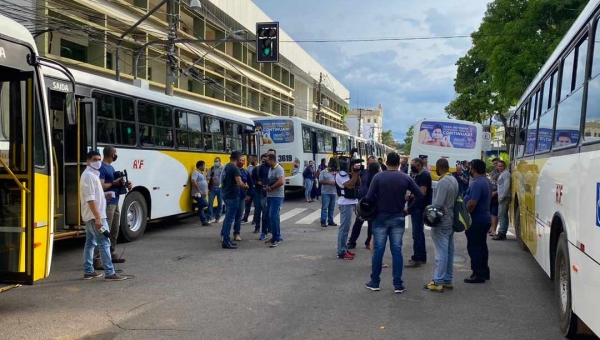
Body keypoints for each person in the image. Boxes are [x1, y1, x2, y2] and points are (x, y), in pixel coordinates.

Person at [364, 152, 423, 293]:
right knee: (397, 250)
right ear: (399, 164)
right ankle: (398, 284)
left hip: (380, 218)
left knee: (378, 250)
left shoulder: (378, 177)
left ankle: (375, 281)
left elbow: (369, 198)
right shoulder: (405, 177)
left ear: (387, 162)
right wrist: (408, 210)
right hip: (398, 217)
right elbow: (420, 195)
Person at [80, 151, 127, 281]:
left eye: (99, 159)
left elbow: (95, 196)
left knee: (90, 243)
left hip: (93, 216)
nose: (98, 162)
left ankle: (89, 271)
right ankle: (110, 272)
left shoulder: (93, 175)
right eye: (95, 159)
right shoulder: (89, 176)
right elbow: (90, 199)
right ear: (88, 161)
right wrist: (98, 217)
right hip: (95, 217)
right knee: (104, 243)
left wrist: (105, 196)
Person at [93, 146, 131, 270]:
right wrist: (114, 183)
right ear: (112, 154)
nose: (116, 155)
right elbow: (101, 186)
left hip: (115, 202)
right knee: (105, 231)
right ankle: (97, 259)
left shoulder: (111, 167)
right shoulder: (102, 168)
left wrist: (125, 184)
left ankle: (111, 252)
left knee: (115, 229)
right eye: (115, 153)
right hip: (107, 204)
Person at [424, 158, 458, 292]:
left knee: (441, 253)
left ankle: (437, 281)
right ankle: (447, 279)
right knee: (449, 251)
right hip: (451, 220)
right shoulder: (453, 180)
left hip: (442, 220)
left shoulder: (443, 182)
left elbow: (437, 204)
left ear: (438, 168)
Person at [463, 159, 492, 283]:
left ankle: (477, 274)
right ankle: (484, 271)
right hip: (484, 218)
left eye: (470, 167)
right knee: (481, 247)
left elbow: (472, 203)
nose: (469, 169)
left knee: (474, 247)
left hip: (476, 220)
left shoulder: (477, 183)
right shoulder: (486, 181)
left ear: (474, 169)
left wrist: (465, 216)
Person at [405, 157, 432, 268]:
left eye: (413, 165)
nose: (412, 167)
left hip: (419, 208)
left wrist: (410, 196)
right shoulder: (417, 174)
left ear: (419, 165)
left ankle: (417, 258)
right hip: (416, 207)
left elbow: (422, 192)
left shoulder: (424, 175)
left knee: (417, 234)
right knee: (418, 233)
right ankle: (421, 256)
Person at [220, 151, 250, 249]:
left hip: (227, 194)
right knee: (230, 218)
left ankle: (225, 237)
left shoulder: (227, 166)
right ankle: (226, 241)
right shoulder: (235, 168)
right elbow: (240, 183)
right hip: (233, 196)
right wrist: (246, 186)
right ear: (237, 159)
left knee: (228, 217)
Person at [347, 156, 377, 248]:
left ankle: (368, 242)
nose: (371, 165)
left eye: (373, 163)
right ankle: (352, 241)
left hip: (373, 201)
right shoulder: (363, 172)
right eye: (370, 163)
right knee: (358, 222)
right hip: (362, 200)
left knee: (371, 223)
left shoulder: (378, 174)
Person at [335, 158, 361, 260]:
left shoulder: (348, 174)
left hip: (350, 202)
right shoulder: (341, 175)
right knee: (344, 228)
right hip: (345, 203)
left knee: (346, 228)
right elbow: (350, 186)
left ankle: (344, 248)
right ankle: (341, 251)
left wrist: (357, 173)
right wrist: (354, 173)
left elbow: (358, 183)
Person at [265, 154, 285, 247]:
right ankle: (275, 236)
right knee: (274, 217)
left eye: (268, 160)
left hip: (277, 196)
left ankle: (276, 238)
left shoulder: (279, 169)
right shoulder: (270, 169)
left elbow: (281, 182)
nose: (266, 162)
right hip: (270, 196)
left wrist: (271, 188)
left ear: (272, 160)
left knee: (272, 216)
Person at [232, 156, 253, 241]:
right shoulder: (232, 170)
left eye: (242, 160)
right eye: (239, 160)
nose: (241, 161)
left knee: (238, 216)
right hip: (231, 197)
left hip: (241, 197)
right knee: (229, 217)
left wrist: (248, 195)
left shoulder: (245, 172)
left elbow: (251, 185)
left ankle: (237, 233)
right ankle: (224, 234)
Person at [258, 149, 277, 241]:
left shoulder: (278, 167)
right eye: (267, 155)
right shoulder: (262, 167)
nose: (268, 158)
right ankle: (264, 232)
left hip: (275, 194)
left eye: (270, 156)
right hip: (265, 193)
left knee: (274, 214)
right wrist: (264, 185)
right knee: (265, 213)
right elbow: (259, 177)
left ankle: (274, 232)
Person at [493, 160, 511, 241]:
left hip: (504, 197)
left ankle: (501, 233)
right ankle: (502, 233)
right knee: (503, 215)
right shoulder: (502, 174)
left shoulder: (506, 174)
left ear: (504, 167)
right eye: (498, 166)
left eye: (501, 166)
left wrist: (503, 196)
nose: (499, 167)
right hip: (502, 197)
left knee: (501, 215)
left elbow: (507, 186)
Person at [191, 160, 211, 226]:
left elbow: (205, 180)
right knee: (205, 204)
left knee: (201, 208)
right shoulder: (195, 172)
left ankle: (203, 221)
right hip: (197, 193)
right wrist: (198, 190)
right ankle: (195, 205)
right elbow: (193, 181)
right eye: (204, 166)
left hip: (203, 192)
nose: (204, 167)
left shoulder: (202, 173)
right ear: (200, 166)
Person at [318, 163, 337, 228]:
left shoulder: (335, 172)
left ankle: (330, 220)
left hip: (334, 192)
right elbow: (320, 181)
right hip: (325, 192)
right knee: (325, 207)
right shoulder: (323, 172)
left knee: (332, 207)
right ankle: (323, 221)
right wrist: (329, 182)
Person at [250, 155, 265, 234]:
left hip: (266, 193)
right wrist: (257, 182)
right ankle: (257, 227)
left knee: (266, 211)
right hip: (258, 191)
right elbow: (252, 180)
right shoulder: (256, 169)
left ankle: (266, 229)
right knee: (257, 209)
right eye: (263, 160)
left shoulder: (270, 169)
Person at [207, 157, 224, 223]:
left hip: (220, 188)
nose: (216, 163)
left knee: (220, 204)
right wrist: (211, 178)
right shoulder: (211, 169)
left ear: (220, 162)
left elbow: (225, 176)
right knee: (210, 204)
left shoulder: (222, 169)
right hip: (212, 188)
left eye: (217, 161)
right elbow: (207, 177)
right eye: (215, 161)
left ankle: (218, 217)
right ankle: (209, 218)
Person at [242, 155, 257, 224]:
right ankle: (245, 218)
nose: (250, 160)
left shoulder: (259, 167)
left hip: (256, 188)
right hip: (250, 188)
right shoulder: (249, 167)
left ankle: (255, 219)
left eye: (251, 159)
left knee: (256, 205)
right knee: (247, 203)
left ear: (255, 159)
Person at [489, 158, 500, 236]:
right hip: (491, 194)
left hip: (497, 195)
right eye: (494, 164)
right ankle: (491, 228)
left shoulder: (502, 173)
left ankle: (494, 229)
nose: (495, 165)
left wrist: (495, 193)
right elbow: (491, 182)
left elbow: (502, 187)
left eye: (496, 163)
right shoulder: (493, 172)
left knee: (495, 213)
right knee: (491, 212)